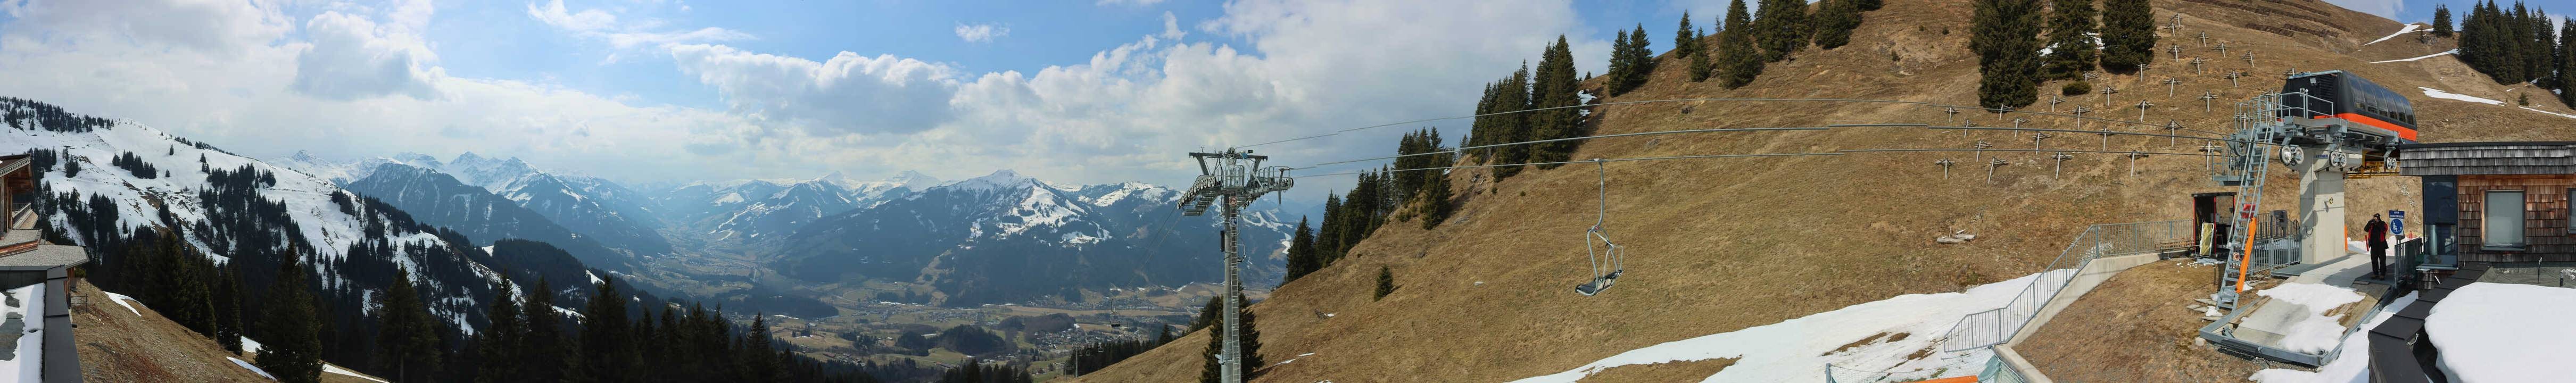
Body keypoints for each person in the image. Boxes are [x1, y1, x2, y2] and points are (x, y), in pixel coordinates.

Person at [2364, 213, 2389, 279]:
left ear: (2379, 218)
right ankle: (2375, 273)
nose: (2375, 219)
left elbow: (2384, 230)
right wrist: (2369, 223)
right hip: (2374, 245)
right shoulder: (2372, 225)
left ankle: (2383, 274)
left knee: (2382, 260)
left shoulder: (2383, 224)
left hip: (2381, 245)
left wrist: (2378, 223)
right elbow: (2366, 229)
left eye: (2377, 218)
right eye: (2374, 218)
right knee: (2374, 260)